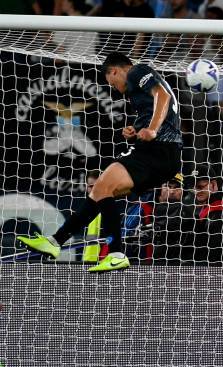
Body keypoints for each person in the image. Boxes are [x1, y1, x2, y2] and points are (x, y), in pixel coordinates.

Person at [17, 52, 182, 273]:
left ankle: (116, 253)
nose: (112, 86)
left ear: (113, 70)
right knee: (99, 193)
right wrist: (137, 129)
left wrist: (151, 128)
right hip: (164, 155)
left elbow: (163, 96)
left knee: (102, 186)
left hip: (156, 151)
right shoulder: (138, 90)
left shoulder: (137, 71)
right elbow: (160, 110)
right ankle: (55, 242)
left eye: (109, 80)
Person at [82, 170, 103, 263]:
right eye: (90, 186)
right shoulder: (89, 209)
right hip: (89, 264)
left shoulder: (113, 209)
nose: (93, 189)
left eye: (97, 186)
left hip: (105, 266)